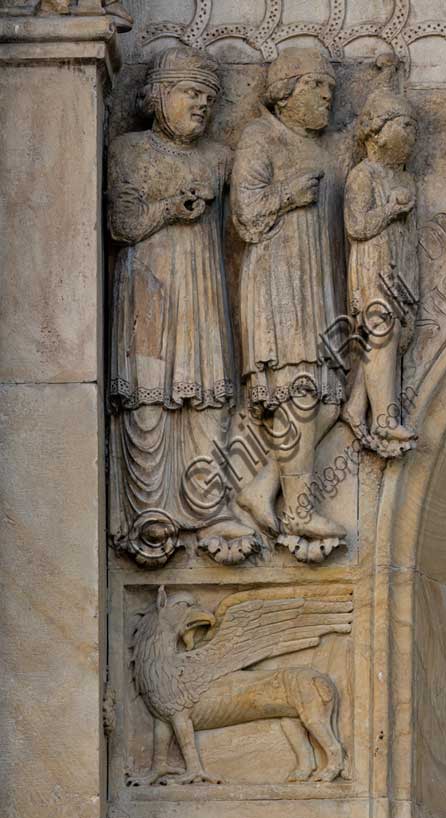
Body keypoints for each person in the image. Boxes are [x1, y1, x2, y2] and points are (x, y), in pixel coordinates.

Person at [108, 45, 256, 566]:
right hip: (147, 289)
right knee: (148, 394)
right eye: (191, 94)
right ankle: (148, 508)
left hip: (204, 290)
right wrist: (173, 207)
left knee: (208, 395)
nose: (202, 106)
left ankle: (209, 504)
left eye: (209, 99)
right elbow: (120, 225)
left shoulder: (219, 158)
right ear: (158, 97)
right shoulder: (129, 151)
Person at [231, 47, 350, 546]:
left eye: (330, 88)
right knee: (301, 396)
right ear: (286, 92)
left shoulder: (324, 148)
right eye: (317, 86)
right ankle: (299, 510)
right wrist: (290, 195)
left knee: (329, 402)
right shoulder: (261, 137)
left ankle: (262, 488)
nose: (327, 96)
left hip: (317, 286)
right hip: (278, 285)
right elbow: (247, 212)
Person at [342, 89, 419, 456]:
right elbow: (356, 225)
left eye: (413, 127)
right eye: (404, 125)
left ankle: (357, 405)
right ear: (378, 131)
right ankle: (385, 419)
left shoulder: (404, 178)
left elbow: (410, 234)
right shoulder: (363, 175)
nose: (411, 134)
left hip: (398, 266)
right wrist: (390, 209)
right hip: (372, 263)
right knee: (380, 330)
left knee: (391, 335)